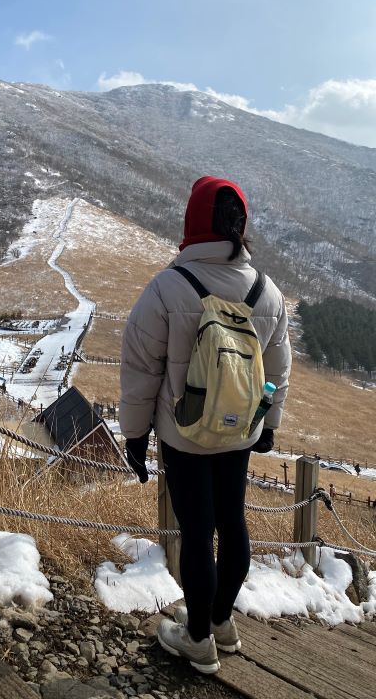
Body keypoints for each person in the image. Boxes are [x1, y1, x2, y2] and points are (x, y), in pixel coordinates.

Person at [120, 176, 291, 674]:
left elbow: (140, 369)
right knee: (232, 522)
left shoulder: (167, 287)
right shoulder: (267, 292)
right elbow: (278, 369)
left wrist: (135, 435)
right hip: (240, 432)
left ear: (193, 222)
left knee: (197, 532)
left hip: (185, 434)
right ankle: (220, 621)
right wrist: (269, 423)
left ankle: (197, 639)